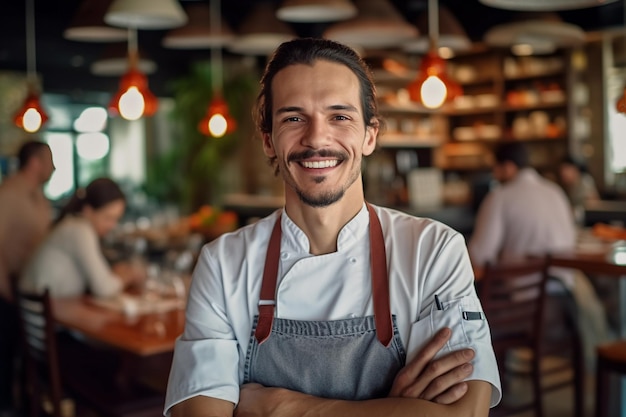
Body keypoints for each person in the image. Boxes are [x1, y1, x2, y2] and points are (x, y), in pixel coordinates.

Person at [165, 38, 501, 417]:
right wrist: (393, 407)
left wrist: (283, 406)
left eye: (339, 116)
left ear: (369, 135)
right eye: (293, 118)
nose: (316, 139)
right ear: (268, 142)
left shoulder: (432, 249)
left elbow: (466, 414)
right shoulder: (222, 263)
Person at [468, 142, 611, 369]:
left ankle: (490, 388)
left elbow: (478, 254)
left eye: (496, 168)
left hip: (527, 308)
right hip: (567, 302)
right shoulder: (555, 192)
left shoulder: (500, 197)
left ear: (507, 166)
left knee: (466, 321)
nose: (495, 174)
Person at [19, 177, 146, 298]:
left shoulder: (72, 224)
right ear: (88, 211)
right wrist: (129, 274)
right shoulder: (80, 230)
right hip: (43, 315)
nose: (112, 226)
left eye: (116, 219)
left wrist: (116, 275)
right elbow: (104, 288)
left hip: (46, 309)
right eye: (108, 218)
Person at [0, 139, 54, 415]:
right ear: (35, 162)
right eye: (49, 160)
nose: (53, 167)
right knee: (6, 357)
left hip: (28, 287)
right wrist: (5, 291)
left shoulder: (38, 196)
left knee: (26, 358)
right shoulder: (9, 194)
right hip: (8, 290)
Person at [557, 155, 600, 225]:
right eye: (561, 170)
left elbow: (593, 205)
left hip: (588, 223)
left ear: (575, 169)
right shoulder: (570, 186)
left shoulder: (585, 181)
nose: (563, 174)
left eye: (566, 169)